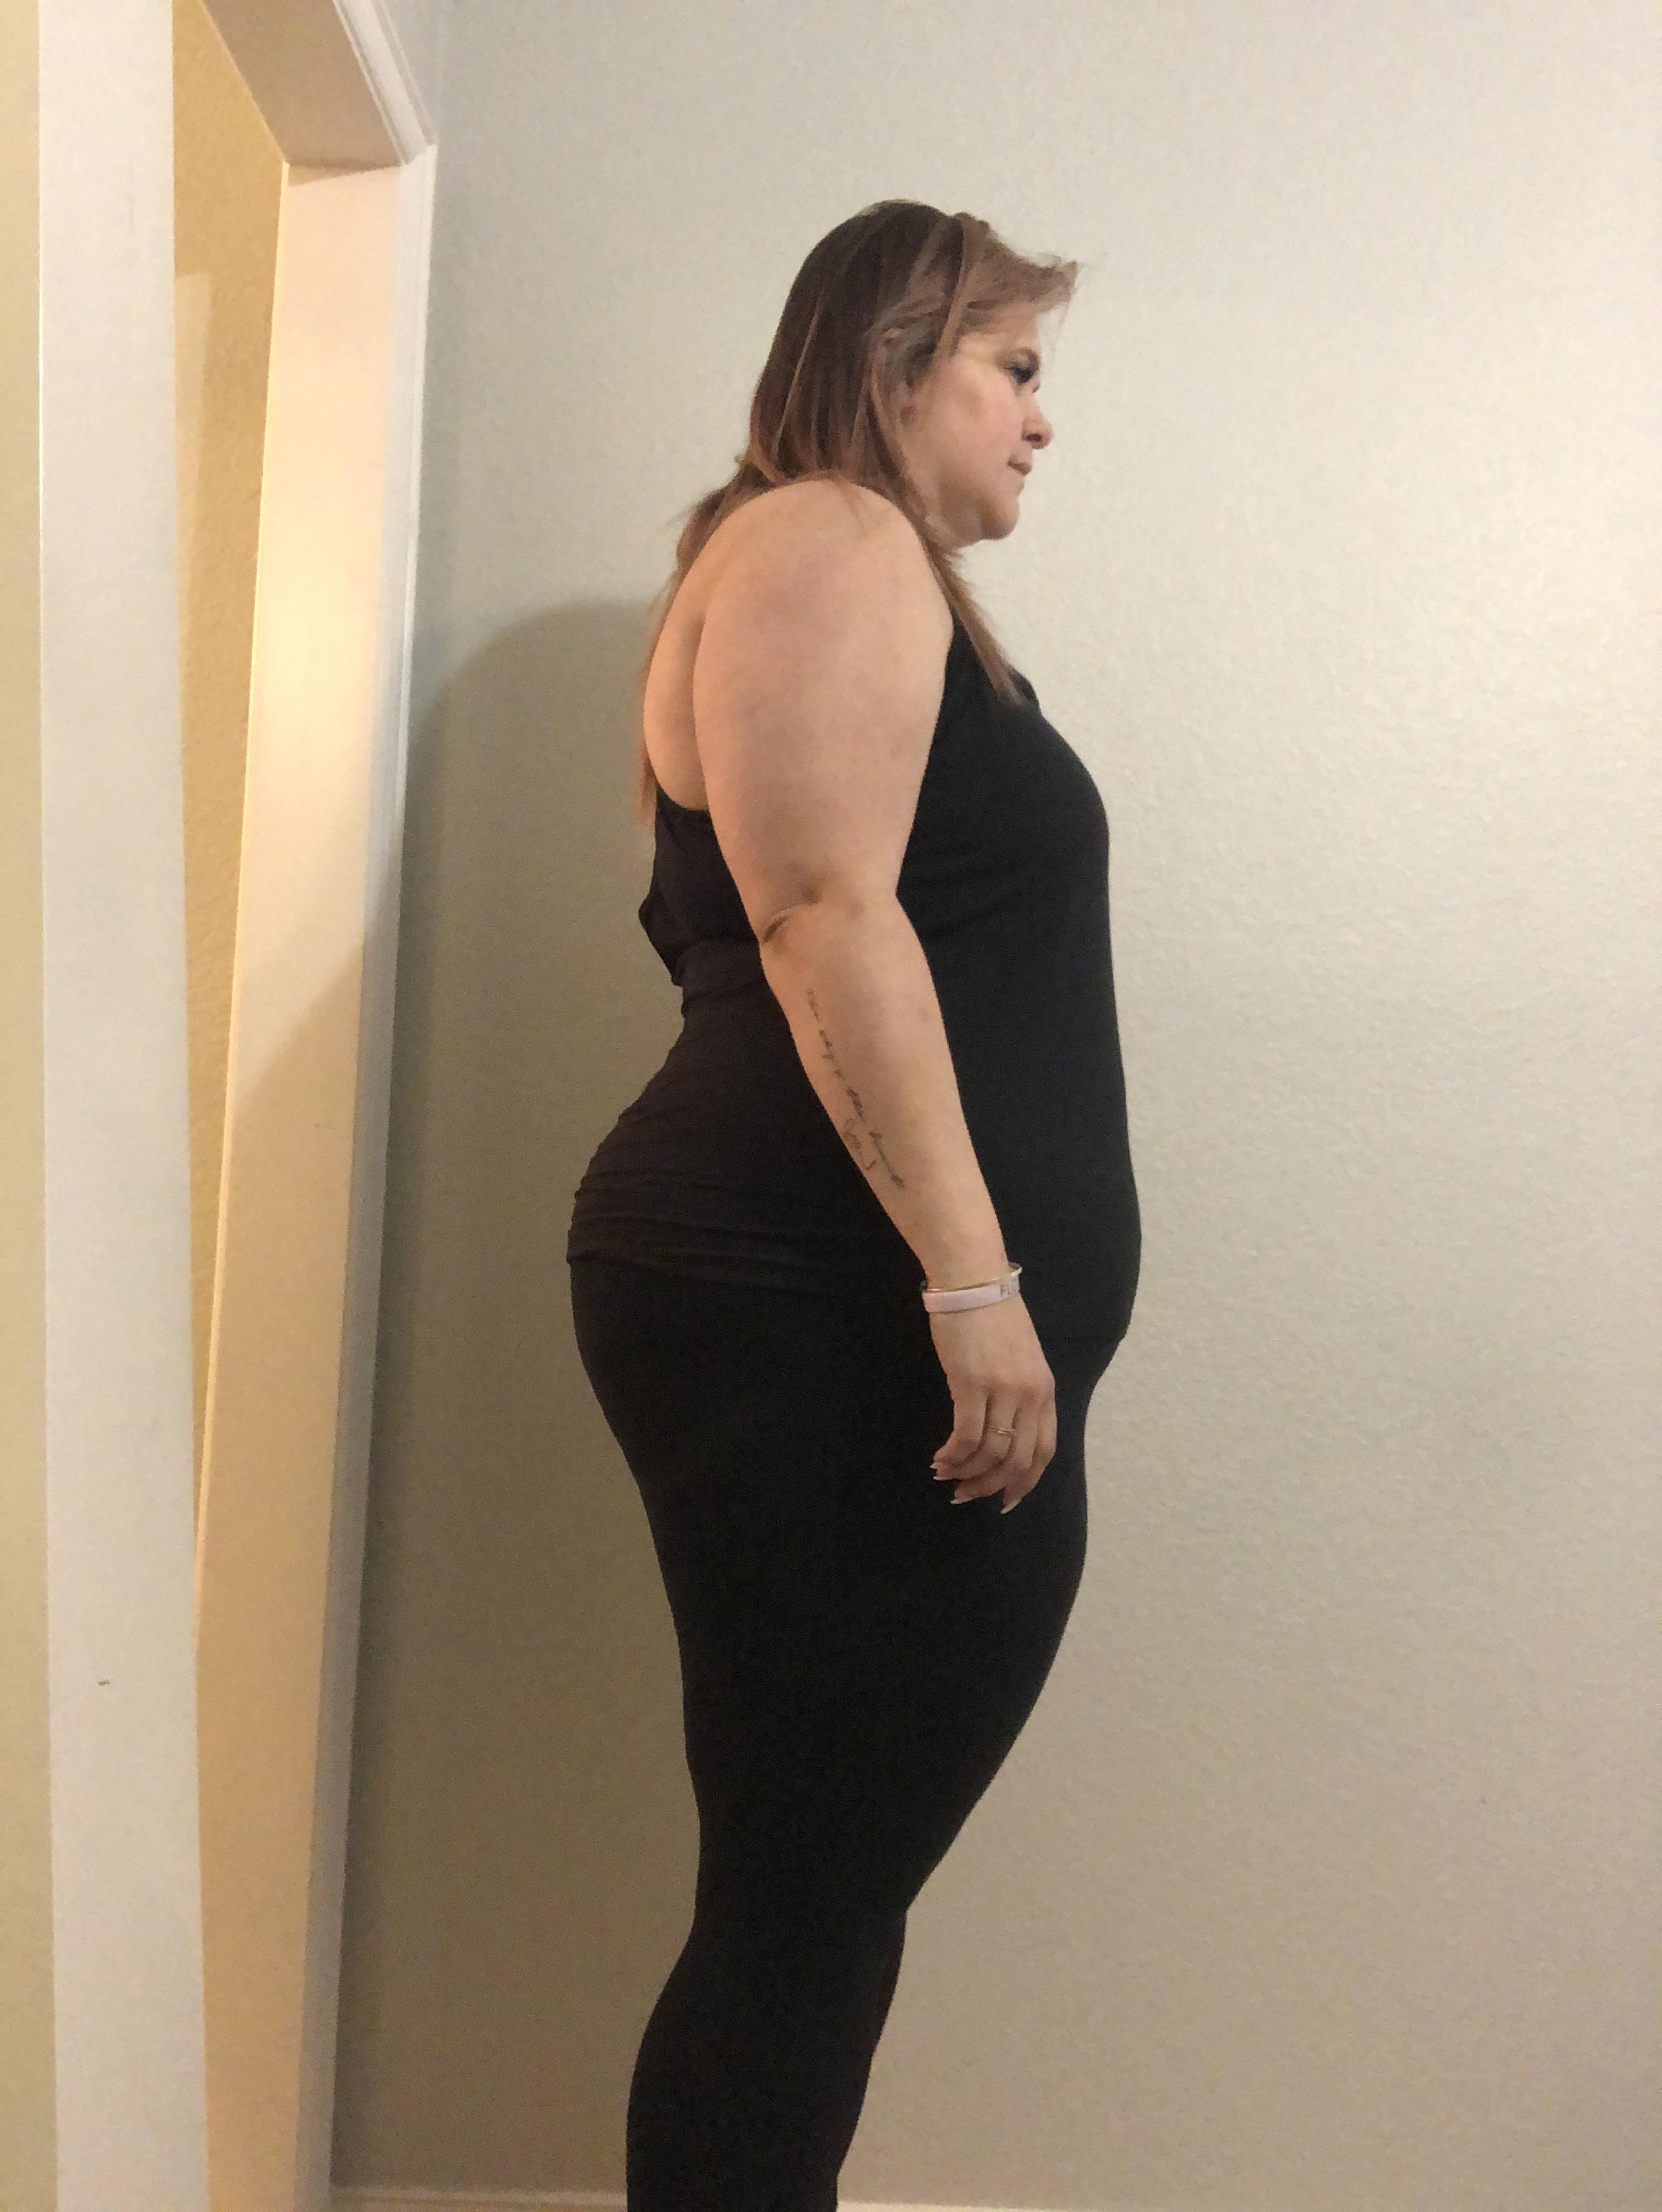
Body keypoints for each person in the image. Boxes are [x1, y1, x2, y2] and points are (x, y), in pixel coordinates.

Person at [565, 199, 1141, 2208]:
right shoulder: (828, 535)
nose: (1042, 419)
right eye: (1016, 367)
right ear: (897, 360)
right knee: (803, 1897)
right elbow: (821, 912)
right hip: (821, 1302)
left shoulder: (850, 567)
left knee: (814, 1890)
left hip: (827, 1302)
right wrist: (974, 1283)